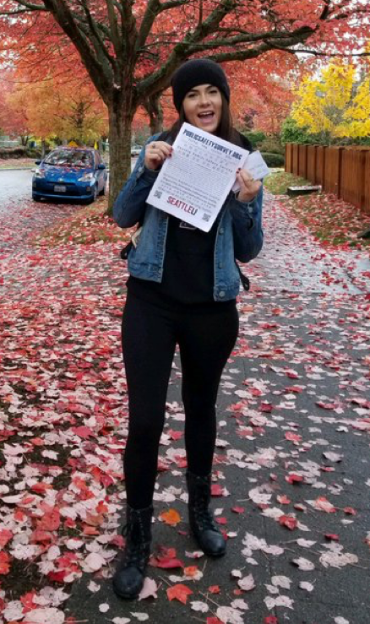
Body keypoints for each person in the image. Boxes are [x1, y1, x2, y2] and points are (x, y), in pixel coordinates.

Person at [112, 58, 263, 600]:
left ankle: (200, 512)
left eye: (212, 92)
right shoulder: (160, 147)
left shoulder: (245, 160)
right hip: (151, 302)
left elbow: (249, 249)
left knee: (201, 409)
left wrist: (246, 204)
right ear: (179, 105)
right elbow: (121, 216)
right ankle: (136, 535)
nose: (203, 101)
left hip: (212, 308)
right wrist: (147, 169)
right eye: (192, 94)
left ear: (223, 99)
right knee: (146, 417)